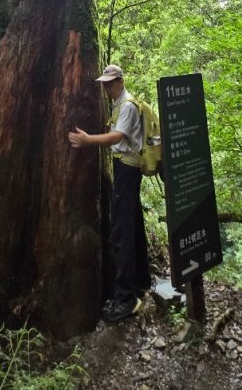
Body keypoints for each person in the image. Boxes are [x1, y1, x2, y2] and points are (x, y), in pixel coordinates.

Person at [68, 64, 150, 323]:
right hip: (126, 167)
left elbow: (117, 137)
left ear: (121, 81)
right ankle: (141, 281)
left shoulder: (126, 105)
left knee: (121, 230)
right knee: (132, 224)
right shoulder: (119, 103)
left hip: (127, 168)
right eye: (104, 83)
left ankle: (126, 298)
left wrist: (87, 140)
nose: (106, 87)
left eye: (111, 83)